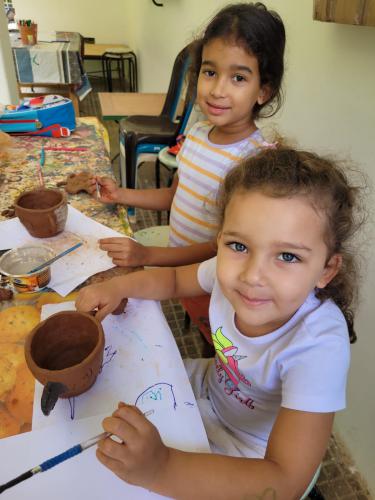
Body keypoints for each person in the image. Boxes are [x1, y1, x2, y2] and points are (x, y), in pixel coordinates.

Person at [76, 146, 364, 498]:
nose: (252, 275)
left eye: (287, 256)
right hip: (208, 390)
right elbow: (173, 281)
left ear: (326, 270)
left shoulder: (320, 345)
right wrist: (118, 286)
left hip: (251, 454)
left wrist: (161, 467)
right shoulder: (230, 273)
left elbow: (287, 480)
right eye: (239, 246)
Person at [88, 2, 285, 269]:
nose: (217, 90)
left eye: (238, 77)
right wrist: (121, 195)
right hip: (178, 268)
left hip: (210, 285)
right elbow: (174, 195)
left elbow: (219, 248)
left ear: (264, 91)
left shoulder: (254, 162)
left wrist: (148, 256)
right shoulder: (198, 133)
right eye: (210, 72)